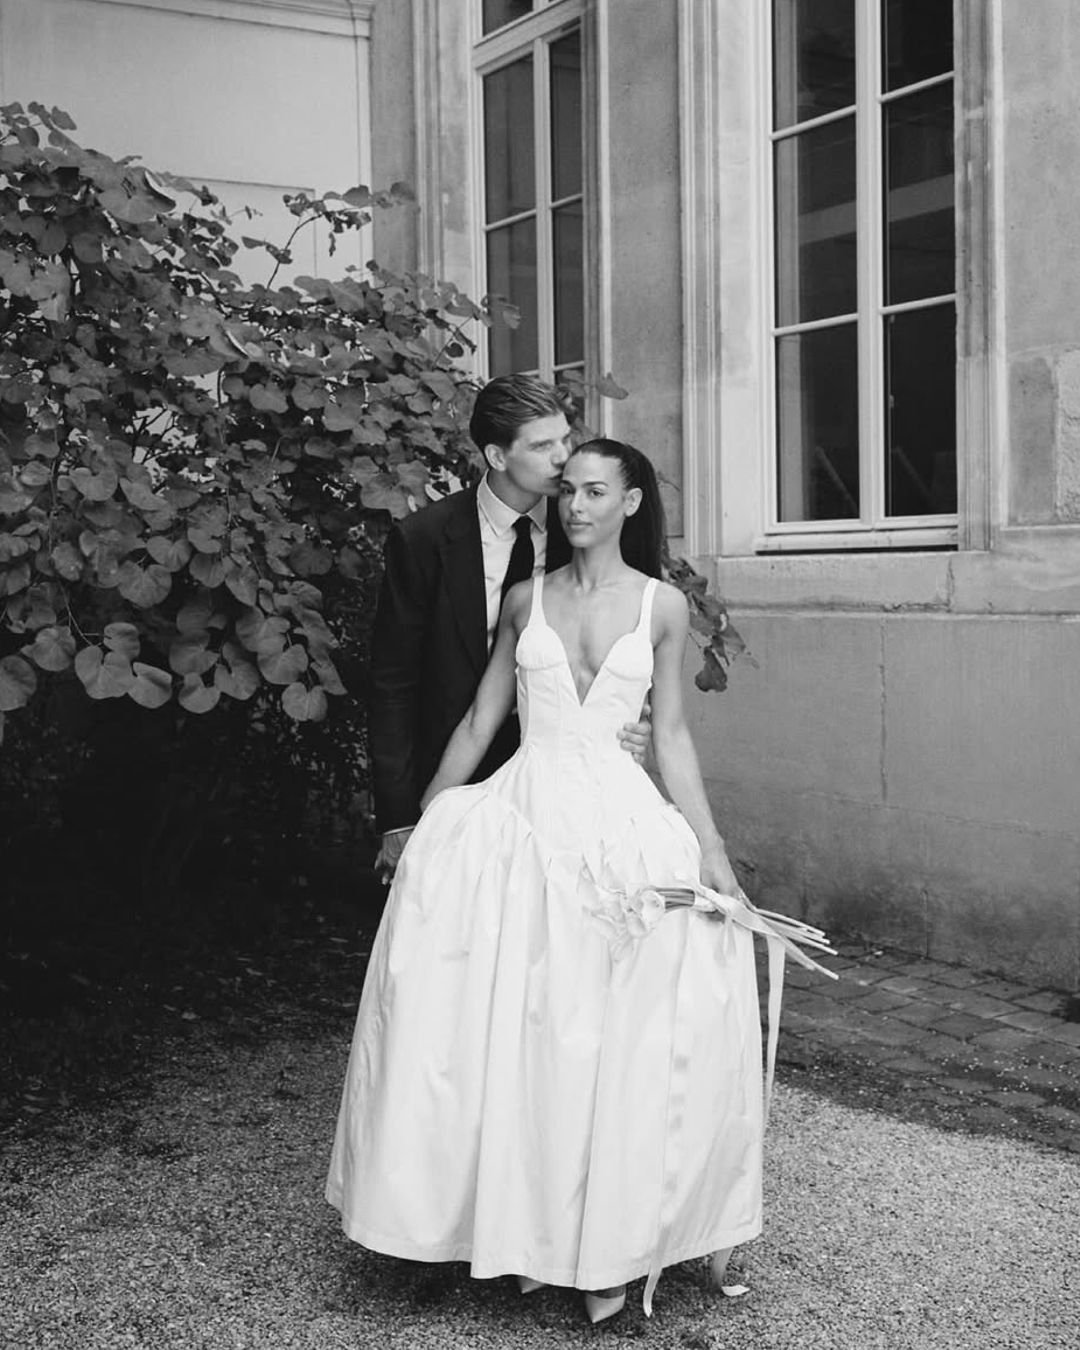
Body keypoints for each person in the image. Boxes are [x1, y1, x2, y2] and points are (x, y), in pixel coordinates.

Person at [327, 439, 830, 1322]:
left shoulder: (663, 605)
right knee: (520, 1030)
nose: (576, 507)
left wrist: (712, 851)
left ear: (631, 503)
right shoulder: (526, 598)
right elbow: (482, 719)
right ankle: (521, 1234)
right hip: (525, 821)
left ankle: (607, 1244)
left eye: (596, 492)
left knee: (612, 1037)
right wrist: (424, 820)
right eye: (567, 491)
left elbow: (670, 734)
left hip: (621, 827)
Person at [369, 374, 647, 883]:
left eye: (565, 439)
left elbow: (629, 630)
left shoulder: (585, 525)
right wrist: (398, 816)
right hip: (454, 772)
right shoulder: (424, 539)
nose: (564, 457)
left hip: (562, 784)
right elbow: (392, 682)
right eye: (542, 446)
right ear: (497, 456)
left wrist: (634, 714)